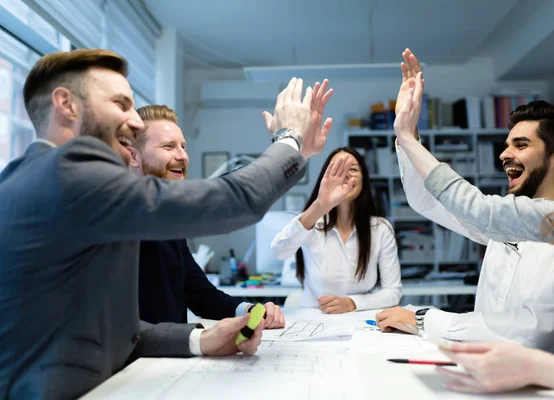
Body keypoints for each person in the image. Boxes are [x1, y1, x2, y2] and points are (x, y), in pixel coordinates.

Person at [0, 48, 339, 399]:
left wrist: (200, 337)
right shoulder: (69, 171)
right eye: (121, 104)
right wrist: (289, 139)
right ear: (66, 105)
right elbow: (233, 200)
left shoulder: (28, 178)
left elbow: (97, 332)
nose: (133, 121)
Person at [393, 46, 554, 396]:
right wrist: (406, 139)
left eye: (521, 144)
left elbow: (526, 335)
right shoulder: (521, 220)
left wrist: (425, 319)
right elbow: (428, 199)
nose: (504, 154)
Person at [130, 104, 284, 328]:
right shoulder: (120, 219)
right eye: (168, 146)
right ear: (134, 156)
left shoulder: (168, 224)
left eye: (183, 147)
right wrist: (287, 146)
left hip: (168, 359)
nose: (182, 156)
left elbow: (202, 297)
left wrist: (251, 310)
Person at [271, 147, 402, 313]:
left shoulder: (380, 229)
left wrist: (352, 303)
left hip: (360, 323)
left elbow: (393, 292)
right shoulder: (311, 221)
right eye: (337, 170)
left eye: (353, 169)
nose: (345, 175)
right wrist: (319, 206)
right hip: (314, 320)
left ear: (364, 179)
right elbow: (279, 251)